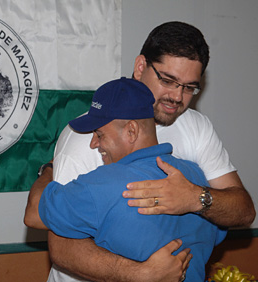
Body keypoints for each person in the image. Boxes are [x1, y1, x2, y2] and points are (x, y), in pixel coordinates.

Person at [30, 21, 256, 281]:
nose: (177, 96)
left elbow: (243, 210)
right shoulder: (86, 137)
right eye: (168, 80)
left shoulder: (197, 127)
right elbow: (60, 247)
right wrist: (141, 273)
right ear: (140, 67)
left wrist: (195, 197)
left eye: (189, 87)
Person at [25, 77, 227, 282]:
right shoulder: (195, 177)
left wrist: (48, 169)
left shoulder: (105, 185)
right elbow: (218, 234)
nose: (94, 144)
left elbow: (33, 212)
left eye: (100, 134)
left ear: (131, 131)